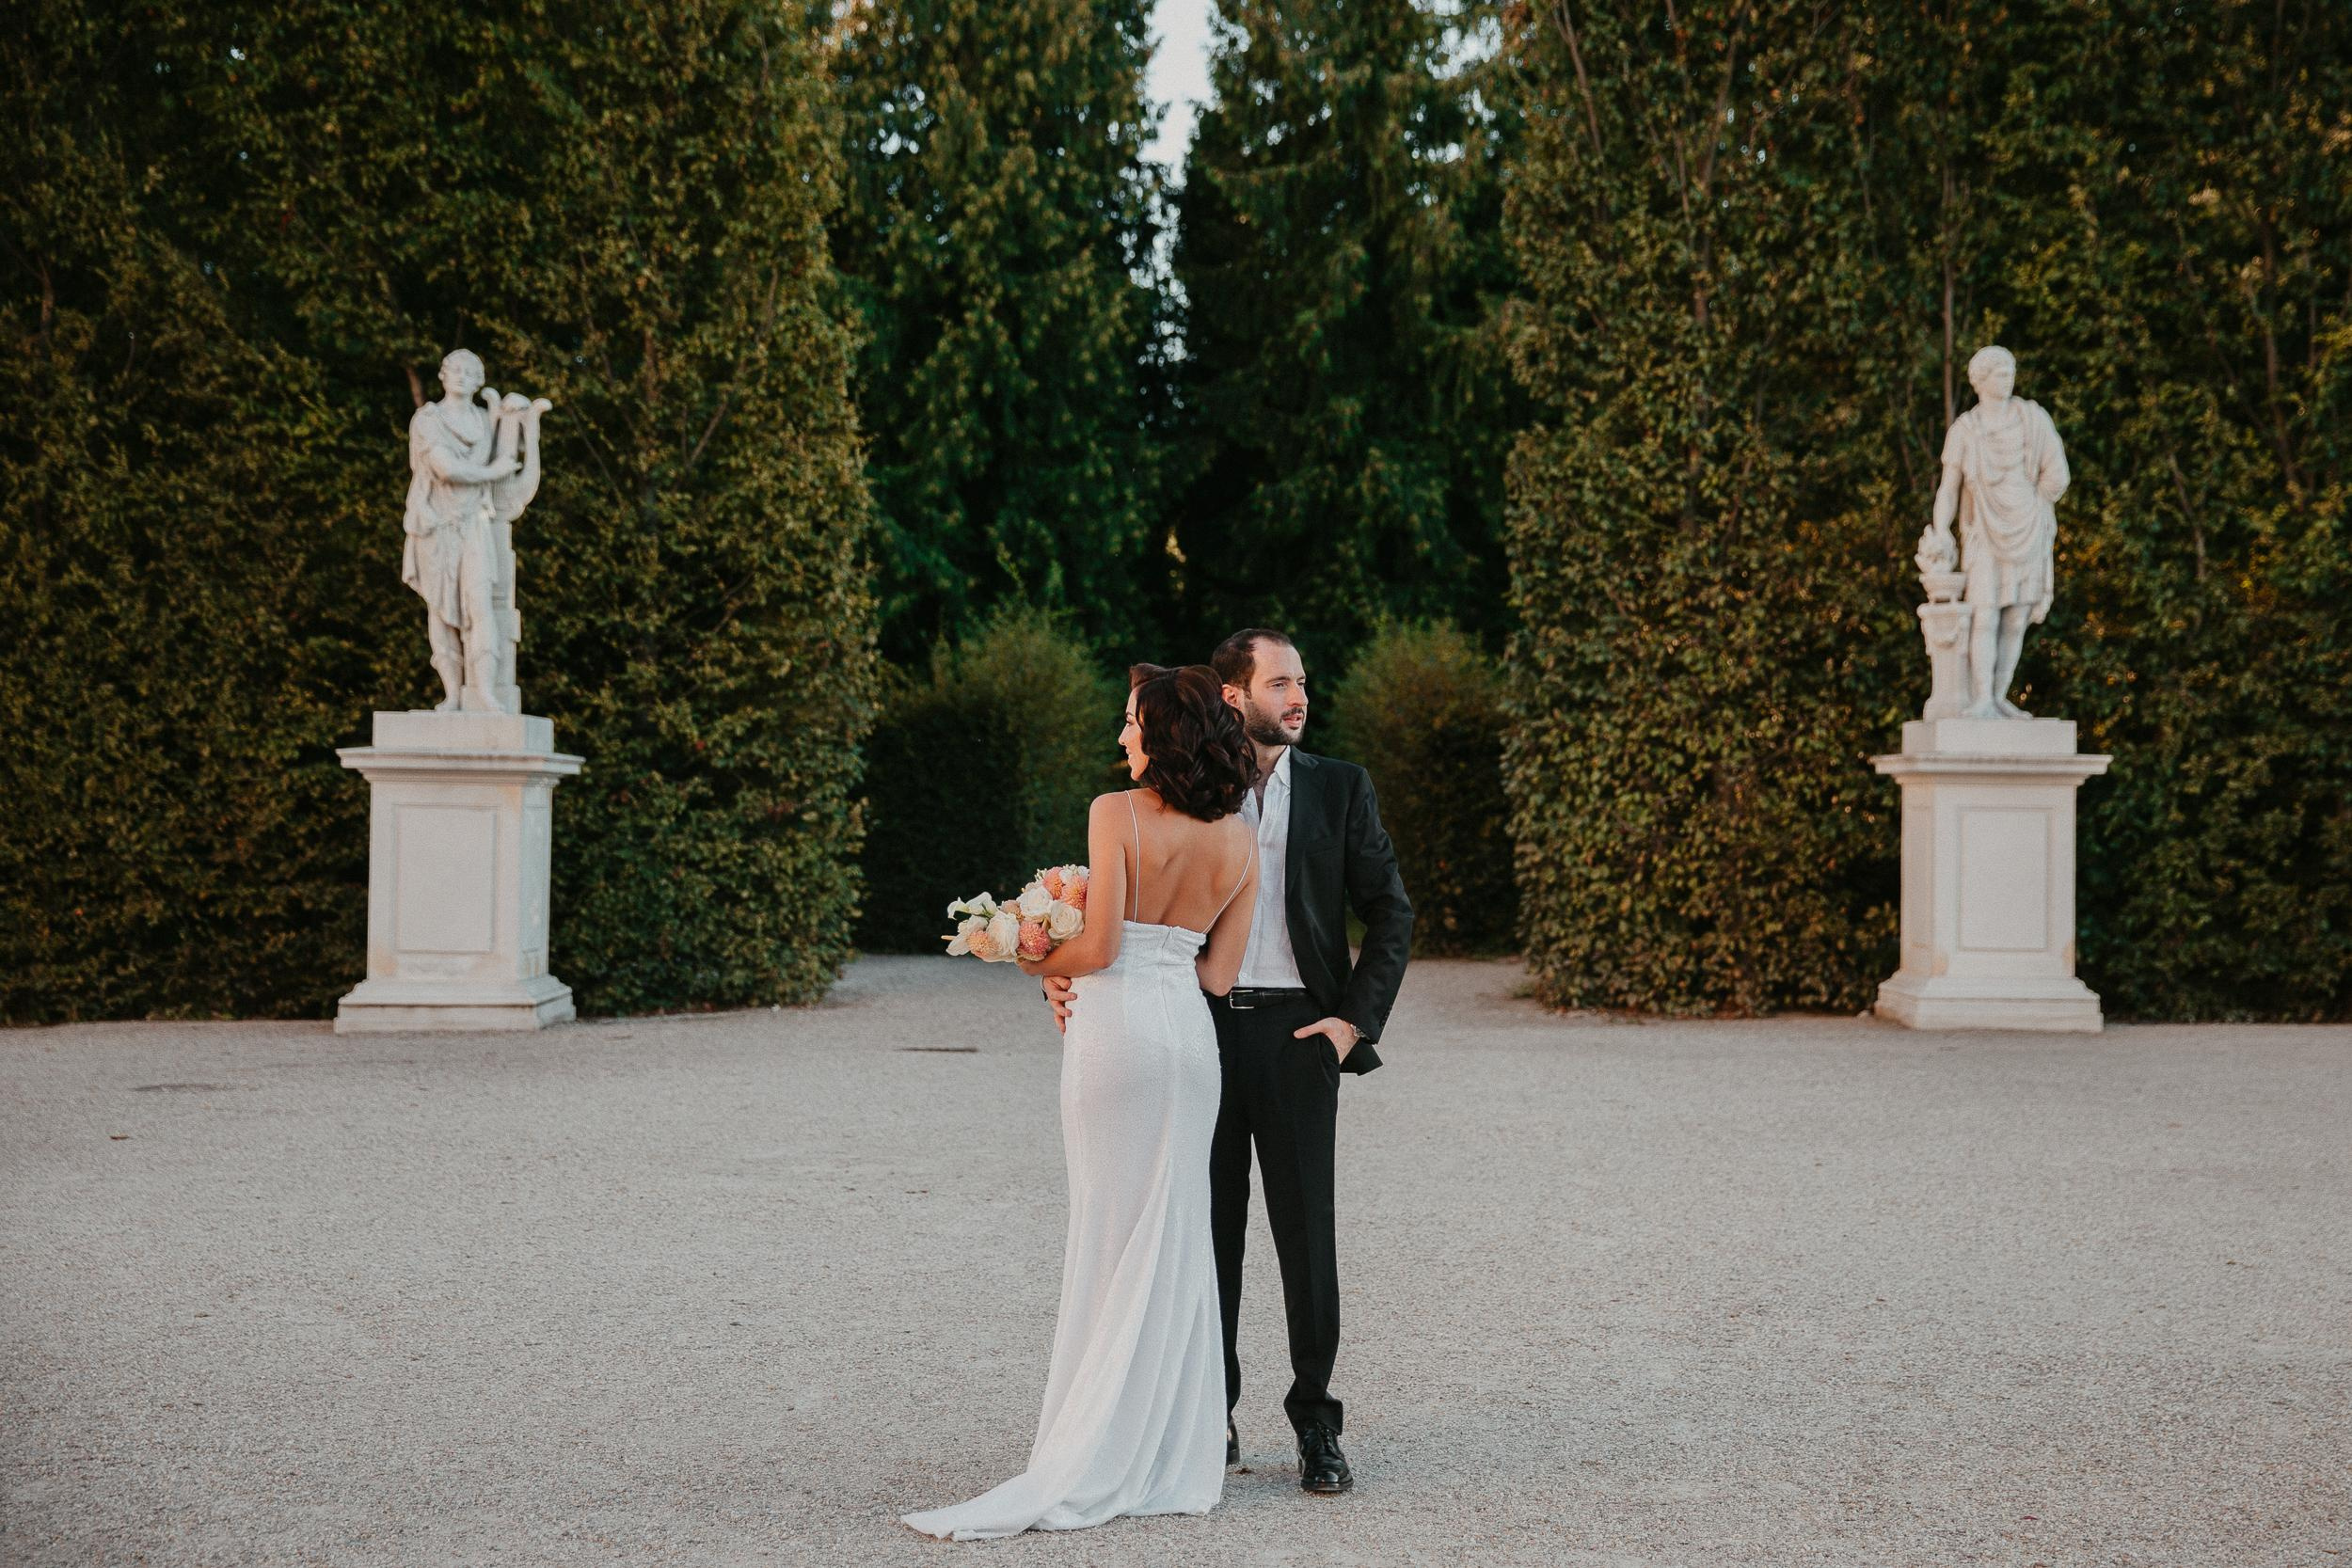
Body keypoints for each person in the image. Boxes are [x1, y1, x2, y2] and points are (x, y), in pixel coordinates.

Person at [1043, 627, 1413, 1496]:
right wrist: (1059, 984)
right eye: (1282, 681)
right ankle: (1210, 1414)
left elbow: (1389, 914)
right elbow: (1126, 925)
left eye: (1304, 681)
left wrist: (1350, 1026)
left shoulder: (1340, 788)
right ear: (1235, 696)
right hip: (1196, 1029)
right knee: (1201, 1231)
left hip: (1297, 1037)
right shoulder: (1187, 799)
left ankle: (1318, 1423)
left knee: (1305, 1236)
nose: (1300, 695)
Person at [903, 665, 1261, 1541]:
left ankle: (1089, 1447)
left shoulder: (1115, 813)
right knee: (1176, 1232)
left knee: (1104, 1228)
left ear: (1164, 734)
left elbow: (1096, 948)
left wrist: (1021, 954)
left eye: (1131, 721)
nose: (1121, 736)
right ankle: (1171, 1451)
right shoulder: (1242, 838)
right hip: (1188, 1042)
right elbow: (1217, 973)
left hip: (1118, 1037)